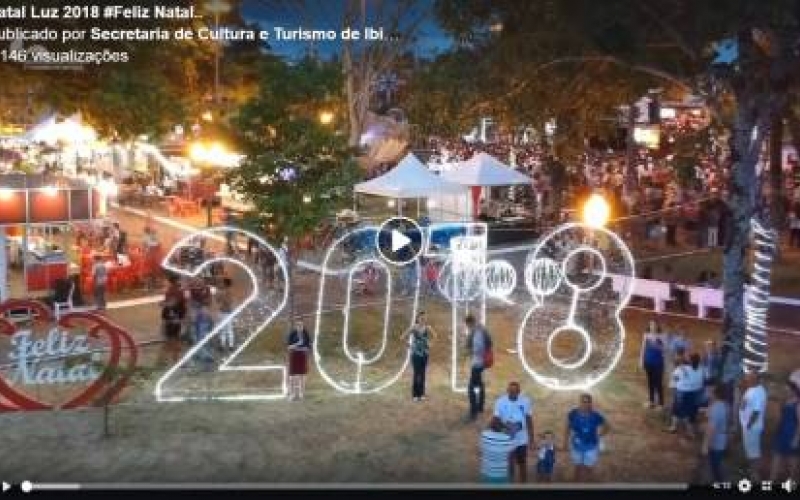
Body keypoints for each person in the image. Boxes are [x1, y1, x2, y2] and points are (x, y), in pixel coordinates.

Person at [492, 381, 534, 483]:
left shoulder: (526, 401)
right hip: (507, 439)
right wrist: (506, 429)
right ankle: (511, 483)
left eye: (516, 391)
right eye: (511, 391)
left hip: (522, 439)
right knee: (510, 462)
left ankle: (523, 484)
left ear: (519, 392)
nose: (513, 393)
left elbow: (529, 419)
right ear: (507, 391)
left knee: (522, 462)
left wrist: (531, 438)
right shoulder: (500, 402)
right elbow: (495, 421)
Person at [564, 393, 607, 482]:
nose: (585, 404)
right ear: (579, 402)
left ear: (591, 403)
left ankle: (588, 483)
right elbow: (567, 427)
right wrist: (565, 442)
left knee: (589, 468)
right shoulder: (573, 413)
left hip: (591, 447)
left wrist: (600, 435)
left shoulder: (595, 415)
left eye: (587, 402)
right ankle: (576, 483)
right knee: (577, 467)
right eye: (583, 402)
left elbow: (607, 426)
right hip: (576, 446)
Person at [769, 372, 800, 482]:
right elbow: (780, 418)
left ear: (793, 390)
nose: (785, 391)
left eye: (787, 389)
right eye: (785, 389)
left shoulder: (798, 404)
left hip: (792, 435)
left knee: (792, 467)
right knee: (775, 461)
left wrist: (796, 439)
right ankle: (771, 481)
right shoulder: (786, 401)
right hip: (781, 433)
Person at [402, 311, 437, 401]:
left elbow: (435, 336)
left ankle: (422, 394)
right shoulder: (414, 327)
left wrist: (430, 345)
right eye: (421, 318)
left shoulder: (428, 327)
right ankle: (415, 395)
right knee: (416, 374)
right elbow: (402, 337)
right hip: (416, 354)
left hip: (425, 354)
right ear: (417, 318)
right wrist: (410, 346)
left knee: (422, 374)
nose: (423, 319)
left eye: (424, 318)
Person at [739, 371, 768, 481]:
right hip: (747, 425)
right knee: (751, 450)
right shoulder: (751, 388)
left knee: (754, 452)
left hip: (752, 427)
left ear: (755, 379)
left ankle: (755, 476)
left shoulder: (759, 393)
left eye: (748, 378)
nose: (746, 379)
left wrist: (749, 425)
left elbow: (756, 412)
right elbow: (745, 404)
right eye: (746, 377)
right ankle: (751, 471)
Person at [465, 314, 492, 421]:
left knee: (472, 387)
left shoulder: (475, 331)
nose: (468, 327)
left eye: (467, 325)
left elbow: (468, 346)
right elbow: (490, 343)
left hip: (477, 363)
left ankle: (473, 411)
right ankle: (480, 406)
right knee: (479, 383)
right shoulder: (482, 329)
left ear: (469, 323)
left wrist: (473, 352)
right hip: (482, 362)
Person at [702, 384, 730, 484]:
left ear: (715, 394)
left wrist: (705, 446)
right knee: (716, 465)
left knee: (715, 467)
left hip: (716, 443)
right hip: (722, 439)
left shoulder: (717, 409)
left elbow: (711, 430)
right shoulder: (725, 404)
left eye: (711, 391)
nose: (709, 393)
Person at [480, 418, 516, 484]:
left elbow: (486, 429)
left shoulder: (484, 436)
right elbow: (511, 459)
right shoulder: (507, 439)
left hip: (486, 472)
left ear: (491, 426)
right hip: (501, 474)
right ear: (502, 427)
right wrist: (508, 427)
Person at [640, 322, 665, 409]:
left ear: (657, 326)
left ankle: (661, 403)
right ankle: (651, 401)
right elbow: (643, 348)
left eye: (654, 325)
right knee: (650, 382)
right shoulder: (646, 335)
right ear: (649, 326)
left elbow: (664, 349)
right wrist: (641, 360)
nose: (652, 326)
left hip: (658, 363)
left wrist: (657, 345)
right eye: (651, 325)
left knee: (658, 383)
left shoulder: (661, 336)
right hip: (648, 362)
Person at [286, 319, 311, 401]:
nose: (300, 327)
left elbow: (309, 346)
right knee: (292, 376)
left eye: (301, 325)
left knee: (302, 375)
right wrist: (297, 344)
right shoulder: (292, 334)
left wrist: (305, 348)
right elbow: (288, 347)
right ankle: (292, 394)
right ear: (296, 326)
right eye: (298, 325)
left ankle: (301, 394)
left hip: (302, 356)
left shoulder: (305, 333)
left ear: (303, 326)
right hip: (294, 355)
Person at [158, 295, 185, 365]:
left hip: (176, 328)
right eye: (170, 301)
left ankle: (175, 360)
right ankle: (162, 361)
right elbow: (163, 321)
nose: (171, 302)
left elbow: (182, 319)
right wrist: (162, 331)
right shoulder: (166, 309)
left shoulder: (180, 308)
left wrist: (179, 322)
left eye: (173, 300)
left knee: (176, 345)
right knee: (166, 345)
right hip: (168, 328)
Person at [193, 304, 215, 370]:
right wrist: (197, 336)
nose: (204, 311)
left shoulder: (209, 318)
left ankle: (208, 365)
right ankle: (206, 363)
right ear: (200, 310)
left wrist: (211, 334)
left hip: (207, 336)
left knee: (208, 349)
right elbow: (196, 327)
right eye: (203, 309)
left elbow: (211, 326)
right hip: (200, 336)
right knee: (203, 350)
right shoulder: (198, 318)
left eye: (205, 309)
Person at [216, 277, 235, 354]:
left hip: (226, 312)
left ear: (225, 284)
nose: (221, 284)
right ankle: (226, 345)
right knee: (226, 329)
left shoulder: (227, 292)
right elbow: (218, 300)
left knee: (226, 329)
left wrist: (221, 298)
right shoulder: (223, 292)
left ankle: (228, 345)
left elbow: (227, 302)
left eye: (222, 283)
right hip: (225, 312)